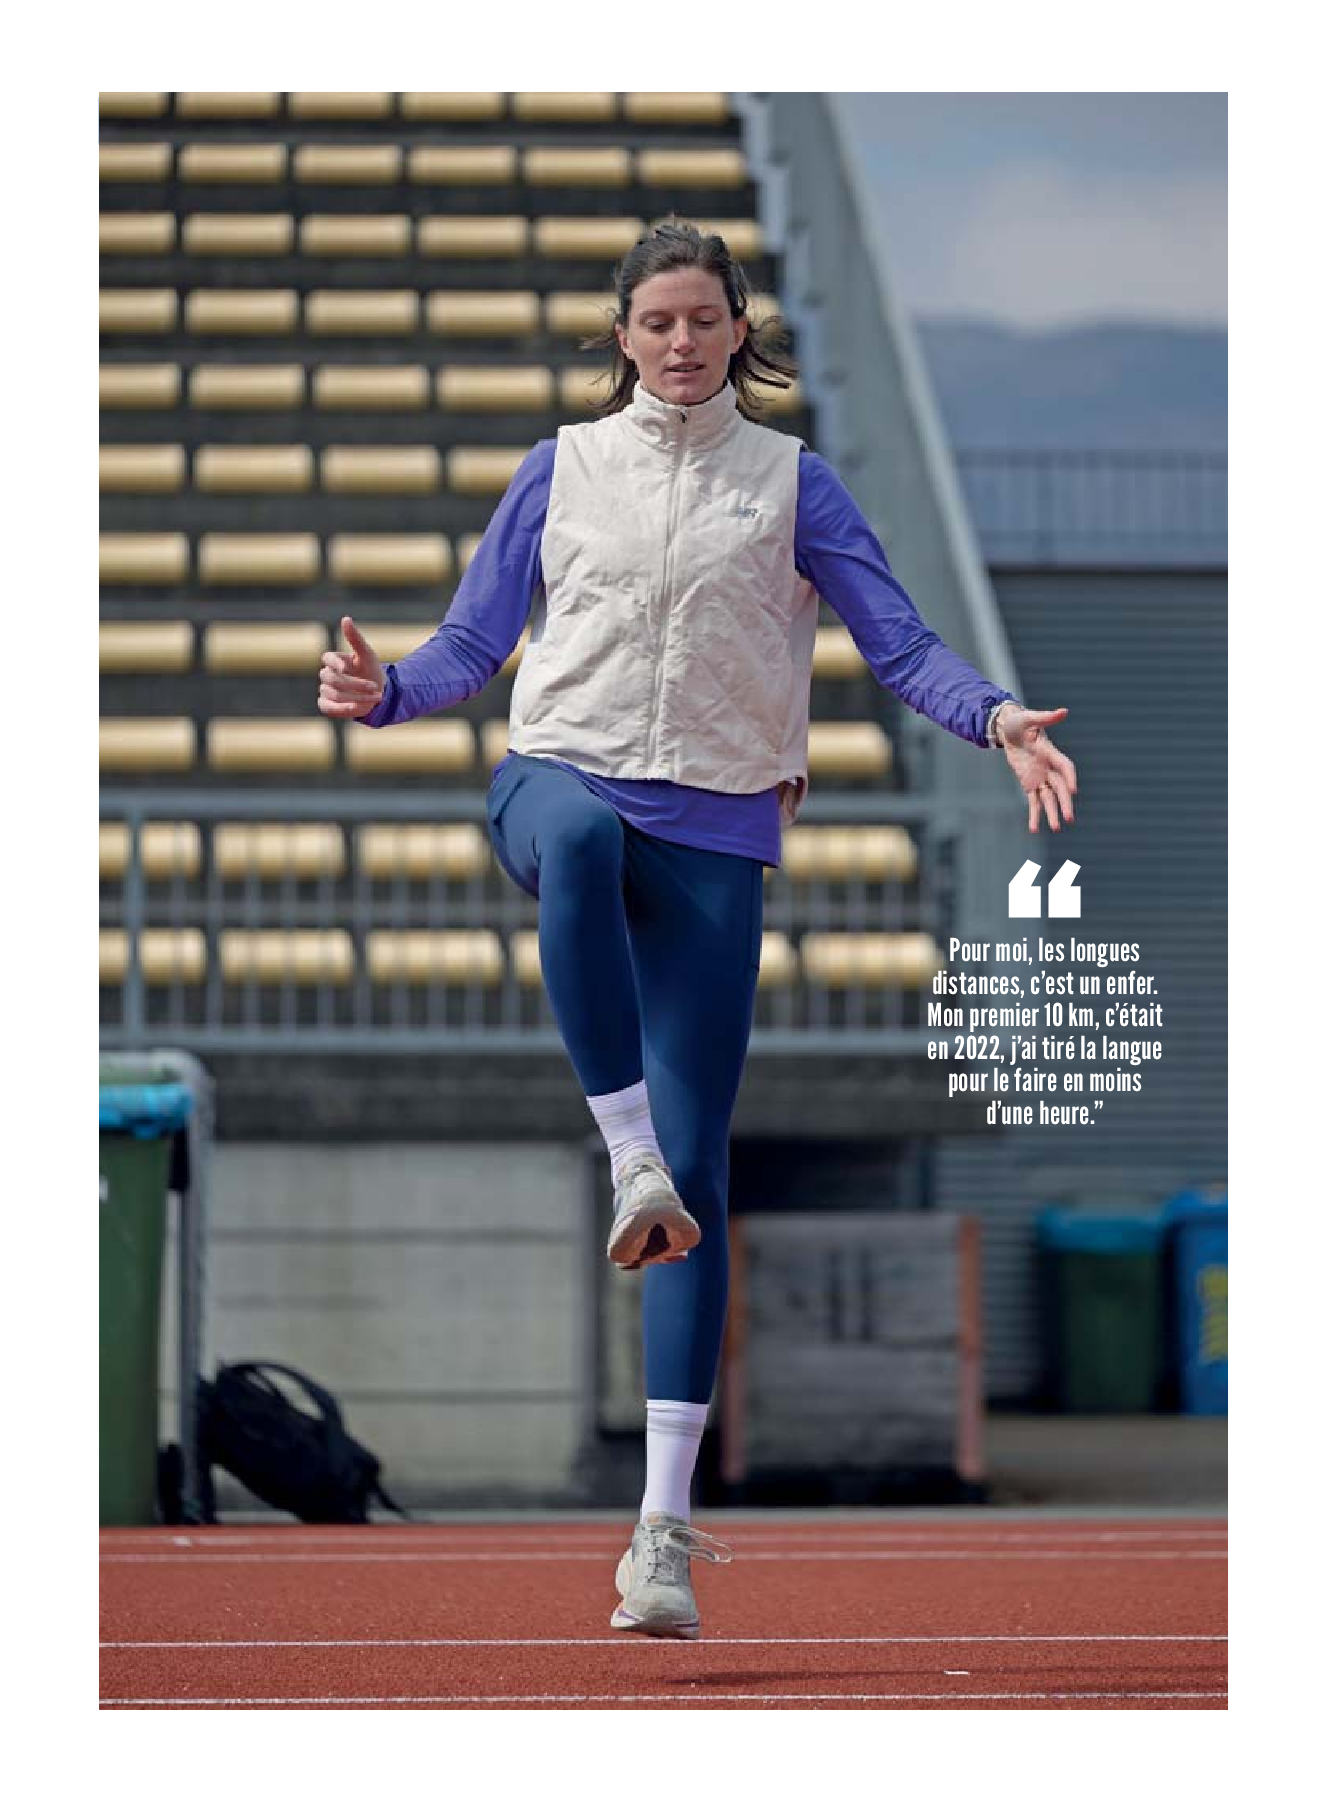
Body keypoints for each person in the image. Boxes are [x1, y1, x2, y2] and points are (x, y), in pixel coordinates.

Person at [317, 221, 1078, 1639]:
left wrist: (995, 718)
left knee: (701, 1181)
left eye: (702, 320)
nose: (679, 342)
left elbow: (899, 641)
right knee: (582, 845)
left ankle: (660, 1533)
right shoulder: (561, 467)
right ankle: (626, 1153)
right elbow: (476, 642)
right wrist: (390, 694)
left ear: (739, 332)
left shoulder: (794, 486)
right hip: (561, 776)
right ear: (623, 336)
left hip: (717, 829)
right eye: (655, 321)